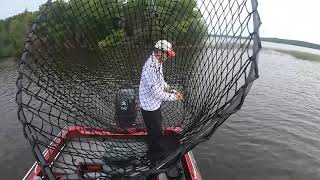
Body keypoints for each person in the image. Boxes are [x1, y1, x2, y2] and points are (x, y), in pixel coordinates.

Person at [139, 40, 183, 157]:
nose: (168, 57)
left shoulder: (158, 62)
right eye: (167, 54)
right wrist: (174, 97)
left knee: (156, 129)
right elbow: (157, 93)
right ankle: (155, 154)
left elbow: (161, 82)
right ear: (159, 52)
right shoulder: (150, 68)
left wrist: (172, 90)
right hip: (149, 107)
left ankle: (153, 146)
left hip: (155, 105)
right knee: (156, 133)